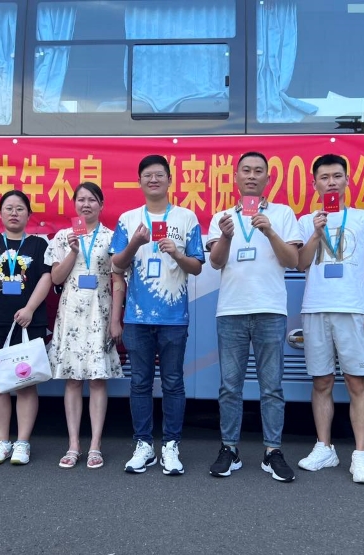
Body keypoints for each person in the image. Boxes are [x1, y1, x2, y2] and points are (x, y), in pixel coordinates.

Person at [206, 152, 301, 482]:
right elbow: (216, 262)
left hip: (270, 311)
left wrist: (270, 231)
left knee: (271, 387)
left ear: (268, 179)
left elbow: (293, 261)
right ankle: (229, 449)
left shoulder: (283, 214)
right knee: (229, 387)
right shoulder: (222, 217)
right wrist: (227, 236)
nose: (251, 176)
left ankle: (272, 451)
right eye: (245, 170)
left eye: (258, 171)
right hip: (231, 311)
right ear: (235, 177)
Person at [110, 154, 205, 475]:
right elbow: (116, 265)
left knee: (174, 382)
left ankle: (171, 445)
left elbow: (197, 266)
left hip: (173, 318)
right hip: (136, 318)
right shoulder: (128, 219)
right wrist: (135, 243)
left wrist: (176, 253)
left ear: (169, 180)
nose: (153, 180)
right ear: (139, 181)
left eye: (159, 175)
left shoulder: (186, 217)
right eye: (148, 175)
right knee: (139, 383)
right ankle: (143, 445)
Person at [295, 154, 364, 484]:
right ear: (315, 184)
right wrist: (316, 233)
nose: (331, 182)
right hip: (316, 308)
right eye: (324, 177)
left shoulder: (363, 219)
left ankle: (360, 455)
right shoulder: (306, 221)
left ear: (347, 180)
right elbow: (301, 263)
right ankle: (324, 447)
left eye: (337, 176)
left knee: (356, 382)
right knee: (321, 382)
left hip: (354, 309)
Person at [46, 182, 124, 470]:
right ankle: (73, 445)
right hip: (71, 315)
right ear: (74, 204)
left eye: (92, 199)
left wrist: (115, 320)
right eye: (80, 199)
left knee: (98, 380)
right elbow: (56, 278)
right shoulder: (64, 237)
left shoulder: (112, 237)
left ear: (101, 205)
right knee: (73, 380)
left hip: (99, 312)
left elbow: (118, 279)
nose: (86, 204)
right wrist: (72, 252)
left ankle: (95, 446)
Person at [0, 190, 52, 466]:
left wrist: (29, 309)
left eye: (20, 208)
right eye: (9, 208)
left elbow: (47, 278)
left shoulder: (38, 244)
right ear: (0, 214)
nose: (14, 213)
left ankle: (23, 443)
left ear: (29, 214)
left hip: (28, 321)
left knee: (25, 383)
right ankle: (2, 442)